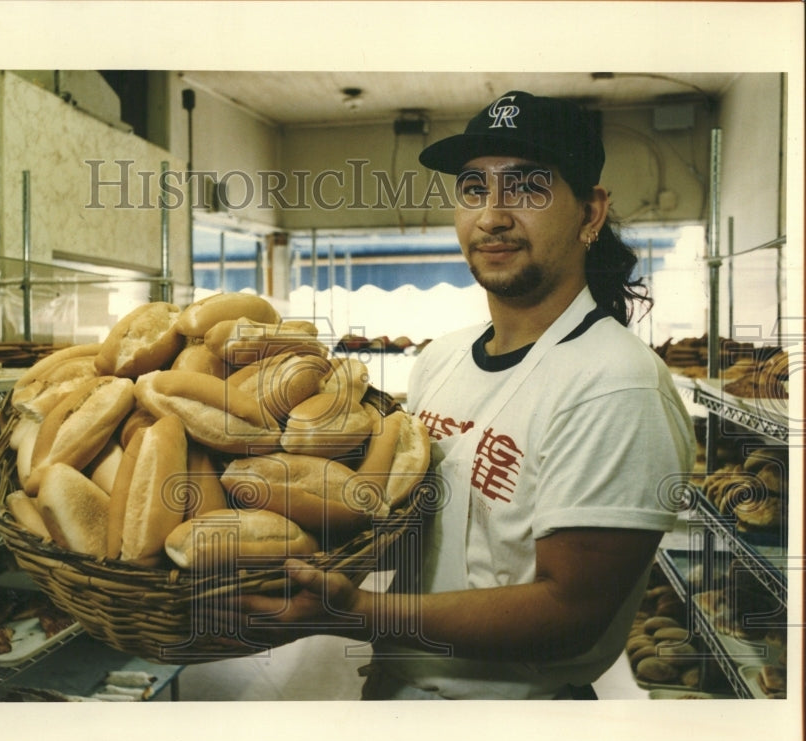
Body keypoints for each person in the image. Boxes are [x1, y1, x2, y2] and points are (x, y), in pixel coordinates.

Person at [228, 90, 696, 700]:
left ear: (590, 213)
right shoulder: (442, 359)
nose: (493, 215)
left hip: (518, 730)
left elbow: (569, 614)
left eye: (527, 187)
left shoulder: (614, 384)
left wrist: (361, 614)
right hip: (398, 695)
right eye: (474, 189)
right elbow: (407, 533)